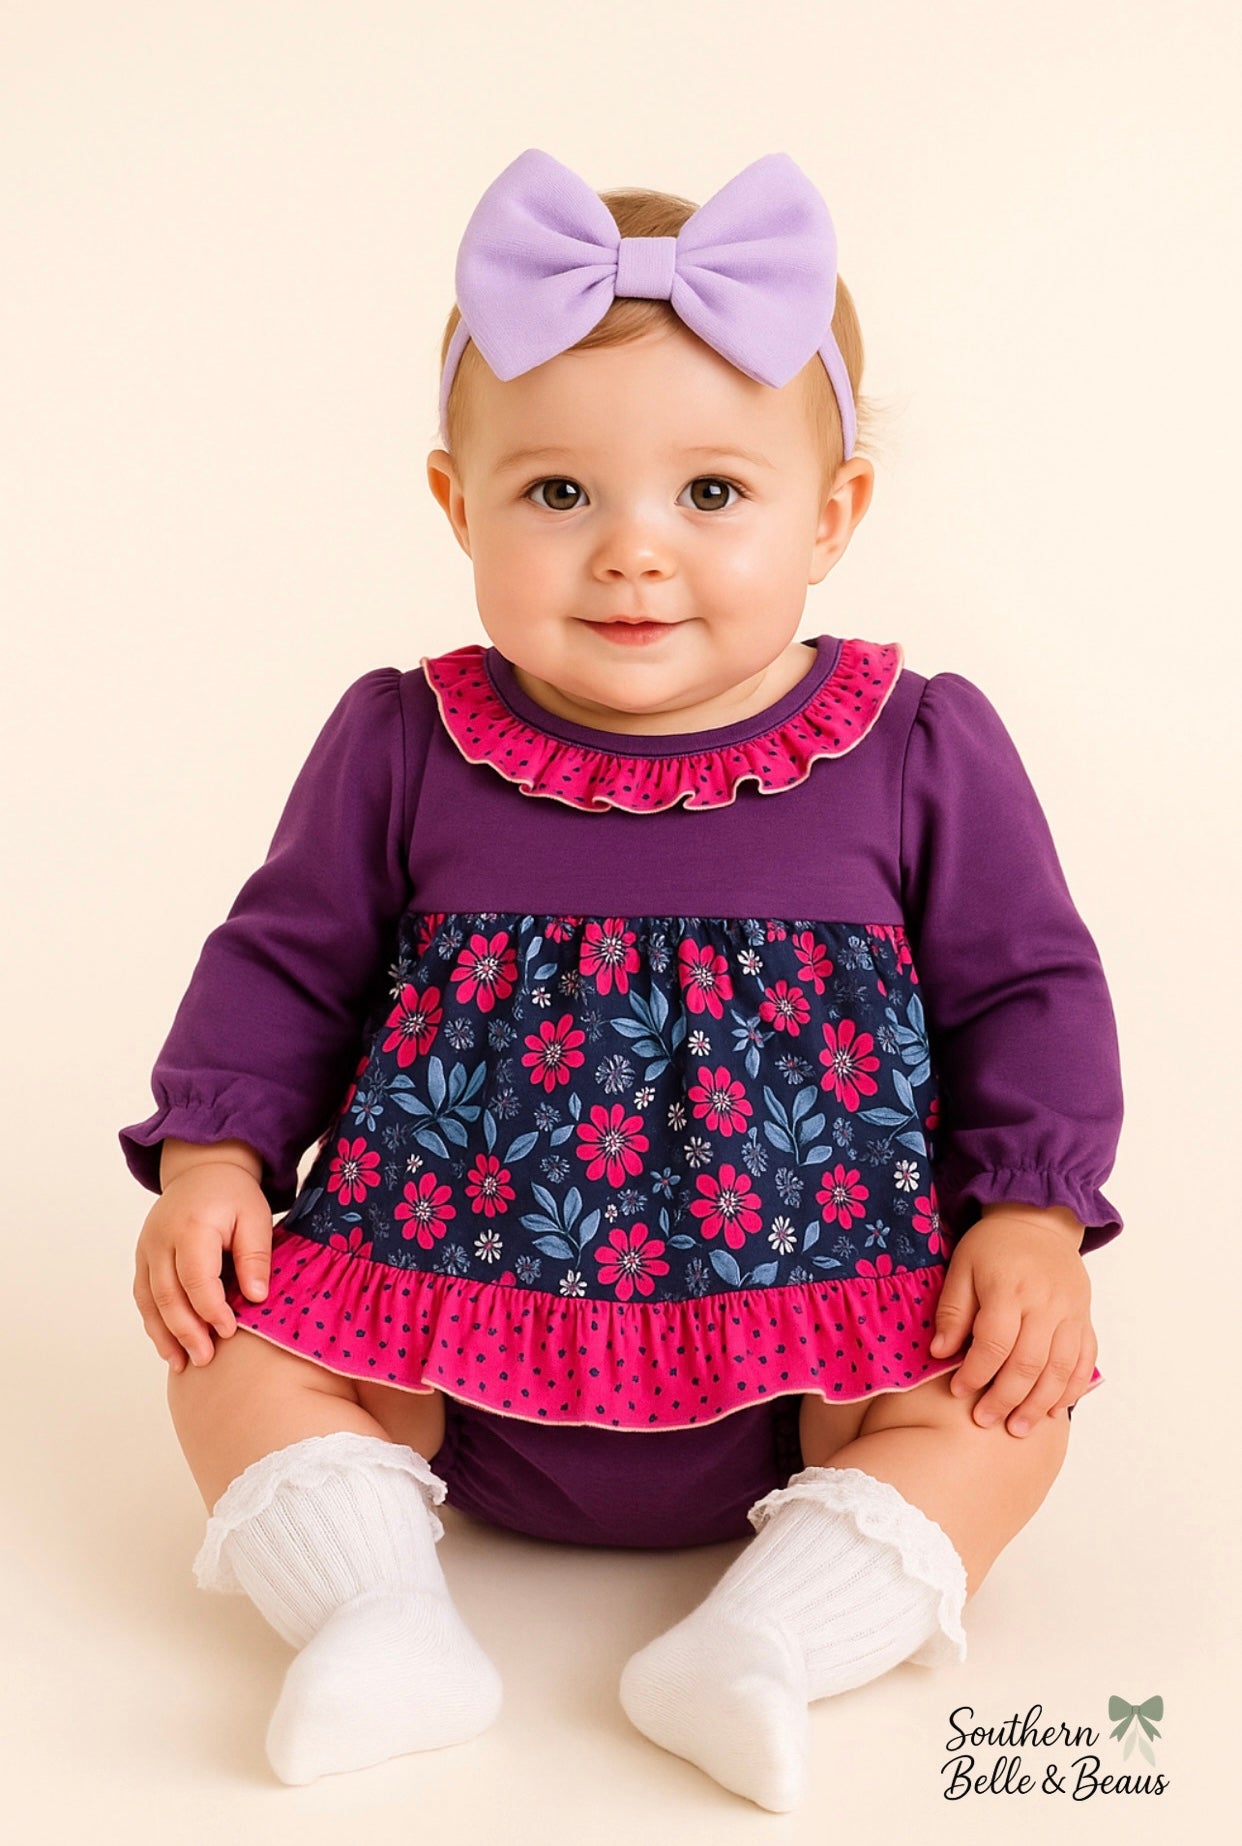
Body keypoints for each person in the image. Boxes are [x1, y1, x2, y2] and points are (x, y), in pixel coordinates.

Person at [119, 147, 1124, 1812]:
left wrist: (1027, 1215)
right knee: (218, 1341)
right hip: (433, 1323)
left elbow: (1023, 989)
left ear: (836, 512)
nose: (631, 556)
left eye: (710, 494)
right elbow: (284, 963)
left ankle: (767, 1643)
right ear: (455, 504)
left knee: (1008, 1408)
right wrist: (215, 1158)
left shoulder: (910, 744)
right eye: (558, 494)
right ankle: (374, 1612)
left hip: (822, 1331)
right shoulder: (407, 738)